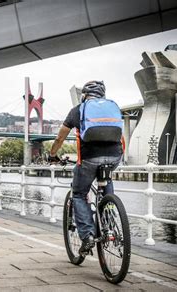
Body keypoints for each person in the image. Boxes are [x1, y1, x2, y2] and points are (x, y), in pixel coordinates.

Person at [48, 80, 123, 256]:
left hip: (89, 158)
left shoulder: (77, 110)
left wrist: (52, 155)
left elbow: (60, 138)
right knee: (106, 180)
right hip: (115, 156)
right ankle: (109, 218)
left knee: (79, 194)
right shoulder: (113, 107)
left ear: (84, 95)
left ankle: (88, 235)